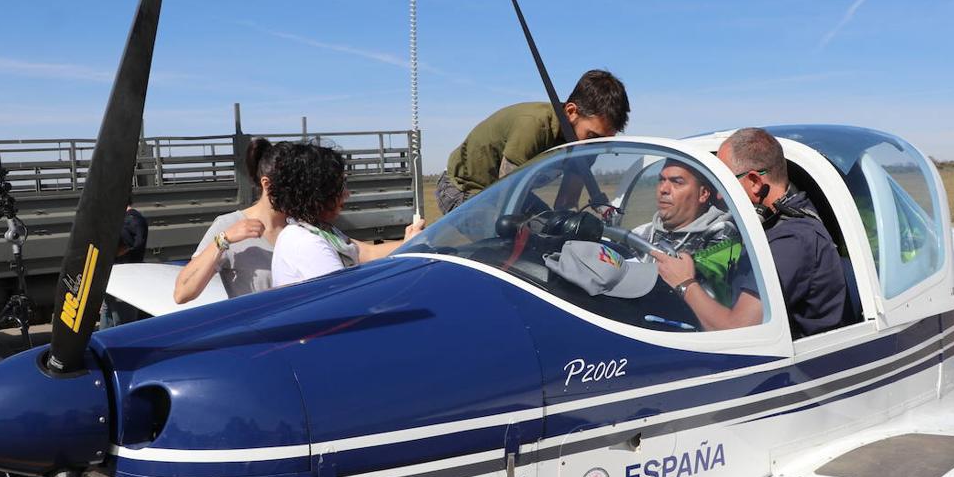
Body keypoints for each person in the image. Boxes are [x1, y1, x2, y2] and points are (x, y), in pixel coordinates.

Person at [652, 128, 846, 337]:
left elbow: (738, 332)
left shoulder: (792, 241)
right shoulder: (773, 224)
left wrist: (685, 283)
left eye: (724, 182)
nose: (718, 194)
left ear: (754, 182)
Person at [435, 69, 631, 214]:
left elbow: (567, 203)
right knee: (506, 250)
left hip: (511, 193)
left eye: (605, 141)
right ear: (571, 112)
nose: (596, 147)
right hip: (465, 190)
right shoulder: (534, 127)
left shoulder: (588, 145)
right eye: (593, 137)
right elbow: (506, 199)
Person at [271, 142, 424, 287]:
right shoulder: (306, 243)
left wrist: (410, 242)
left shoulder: (318, 230)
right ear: (318, 192)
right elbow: (345, 295)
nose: (347, 193)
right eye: (340, 186)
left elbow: (368, 253)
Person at [173, 137, 286, 303]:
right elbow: (182, 292)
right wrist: (223, 239)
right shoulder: (228, 225)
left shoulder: (303, 226)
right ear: (267, 184)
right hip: (256, 327)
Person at [631, 161, 736, 256]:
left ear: (703, 194)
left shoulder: (720, 234)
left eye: (677, 182)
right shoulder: (641, 233)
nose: (663, 189)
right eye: (661, 180)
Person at [100, 199, 150, 328]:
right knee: (109, 324)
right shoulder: (125, 220)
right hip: (114, 281)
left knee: (122, 325)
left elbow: (125, 245)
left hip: (125, 282)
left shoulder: (132, 221)